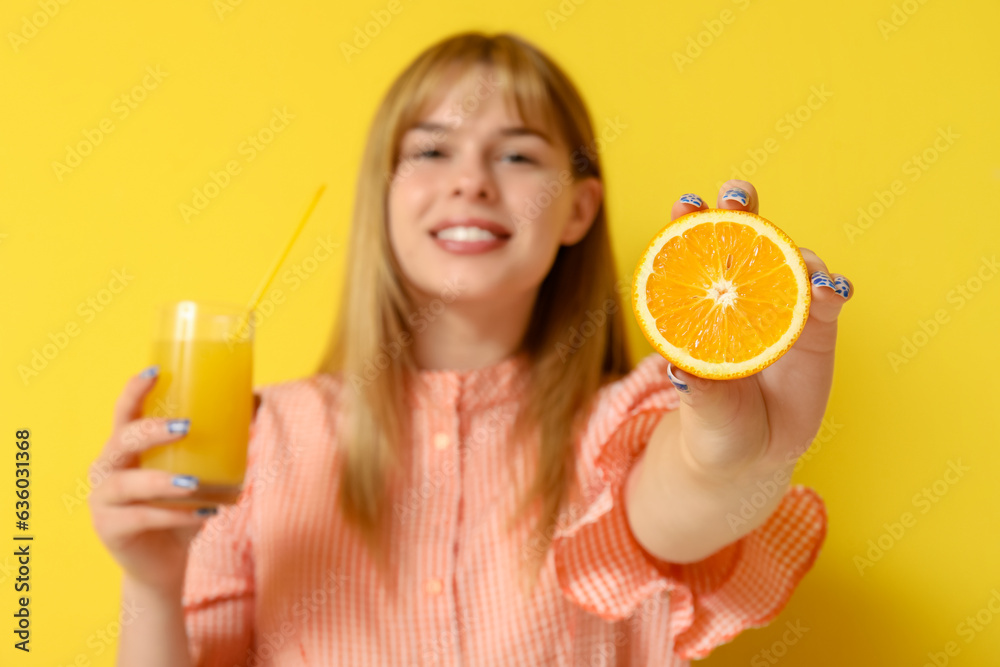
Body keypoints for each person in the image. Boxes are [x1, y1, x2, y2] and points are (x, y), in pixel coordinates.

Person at [89, 31, 852, 666]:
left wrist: (729, 453)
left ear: (578, 209)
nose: (471, 183)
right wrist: (152, 587)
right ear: (383, 194)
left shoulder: (629, 417)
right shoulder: (259, 439)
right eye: (430, 151)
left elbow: (679, 505)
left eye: (517, 156)